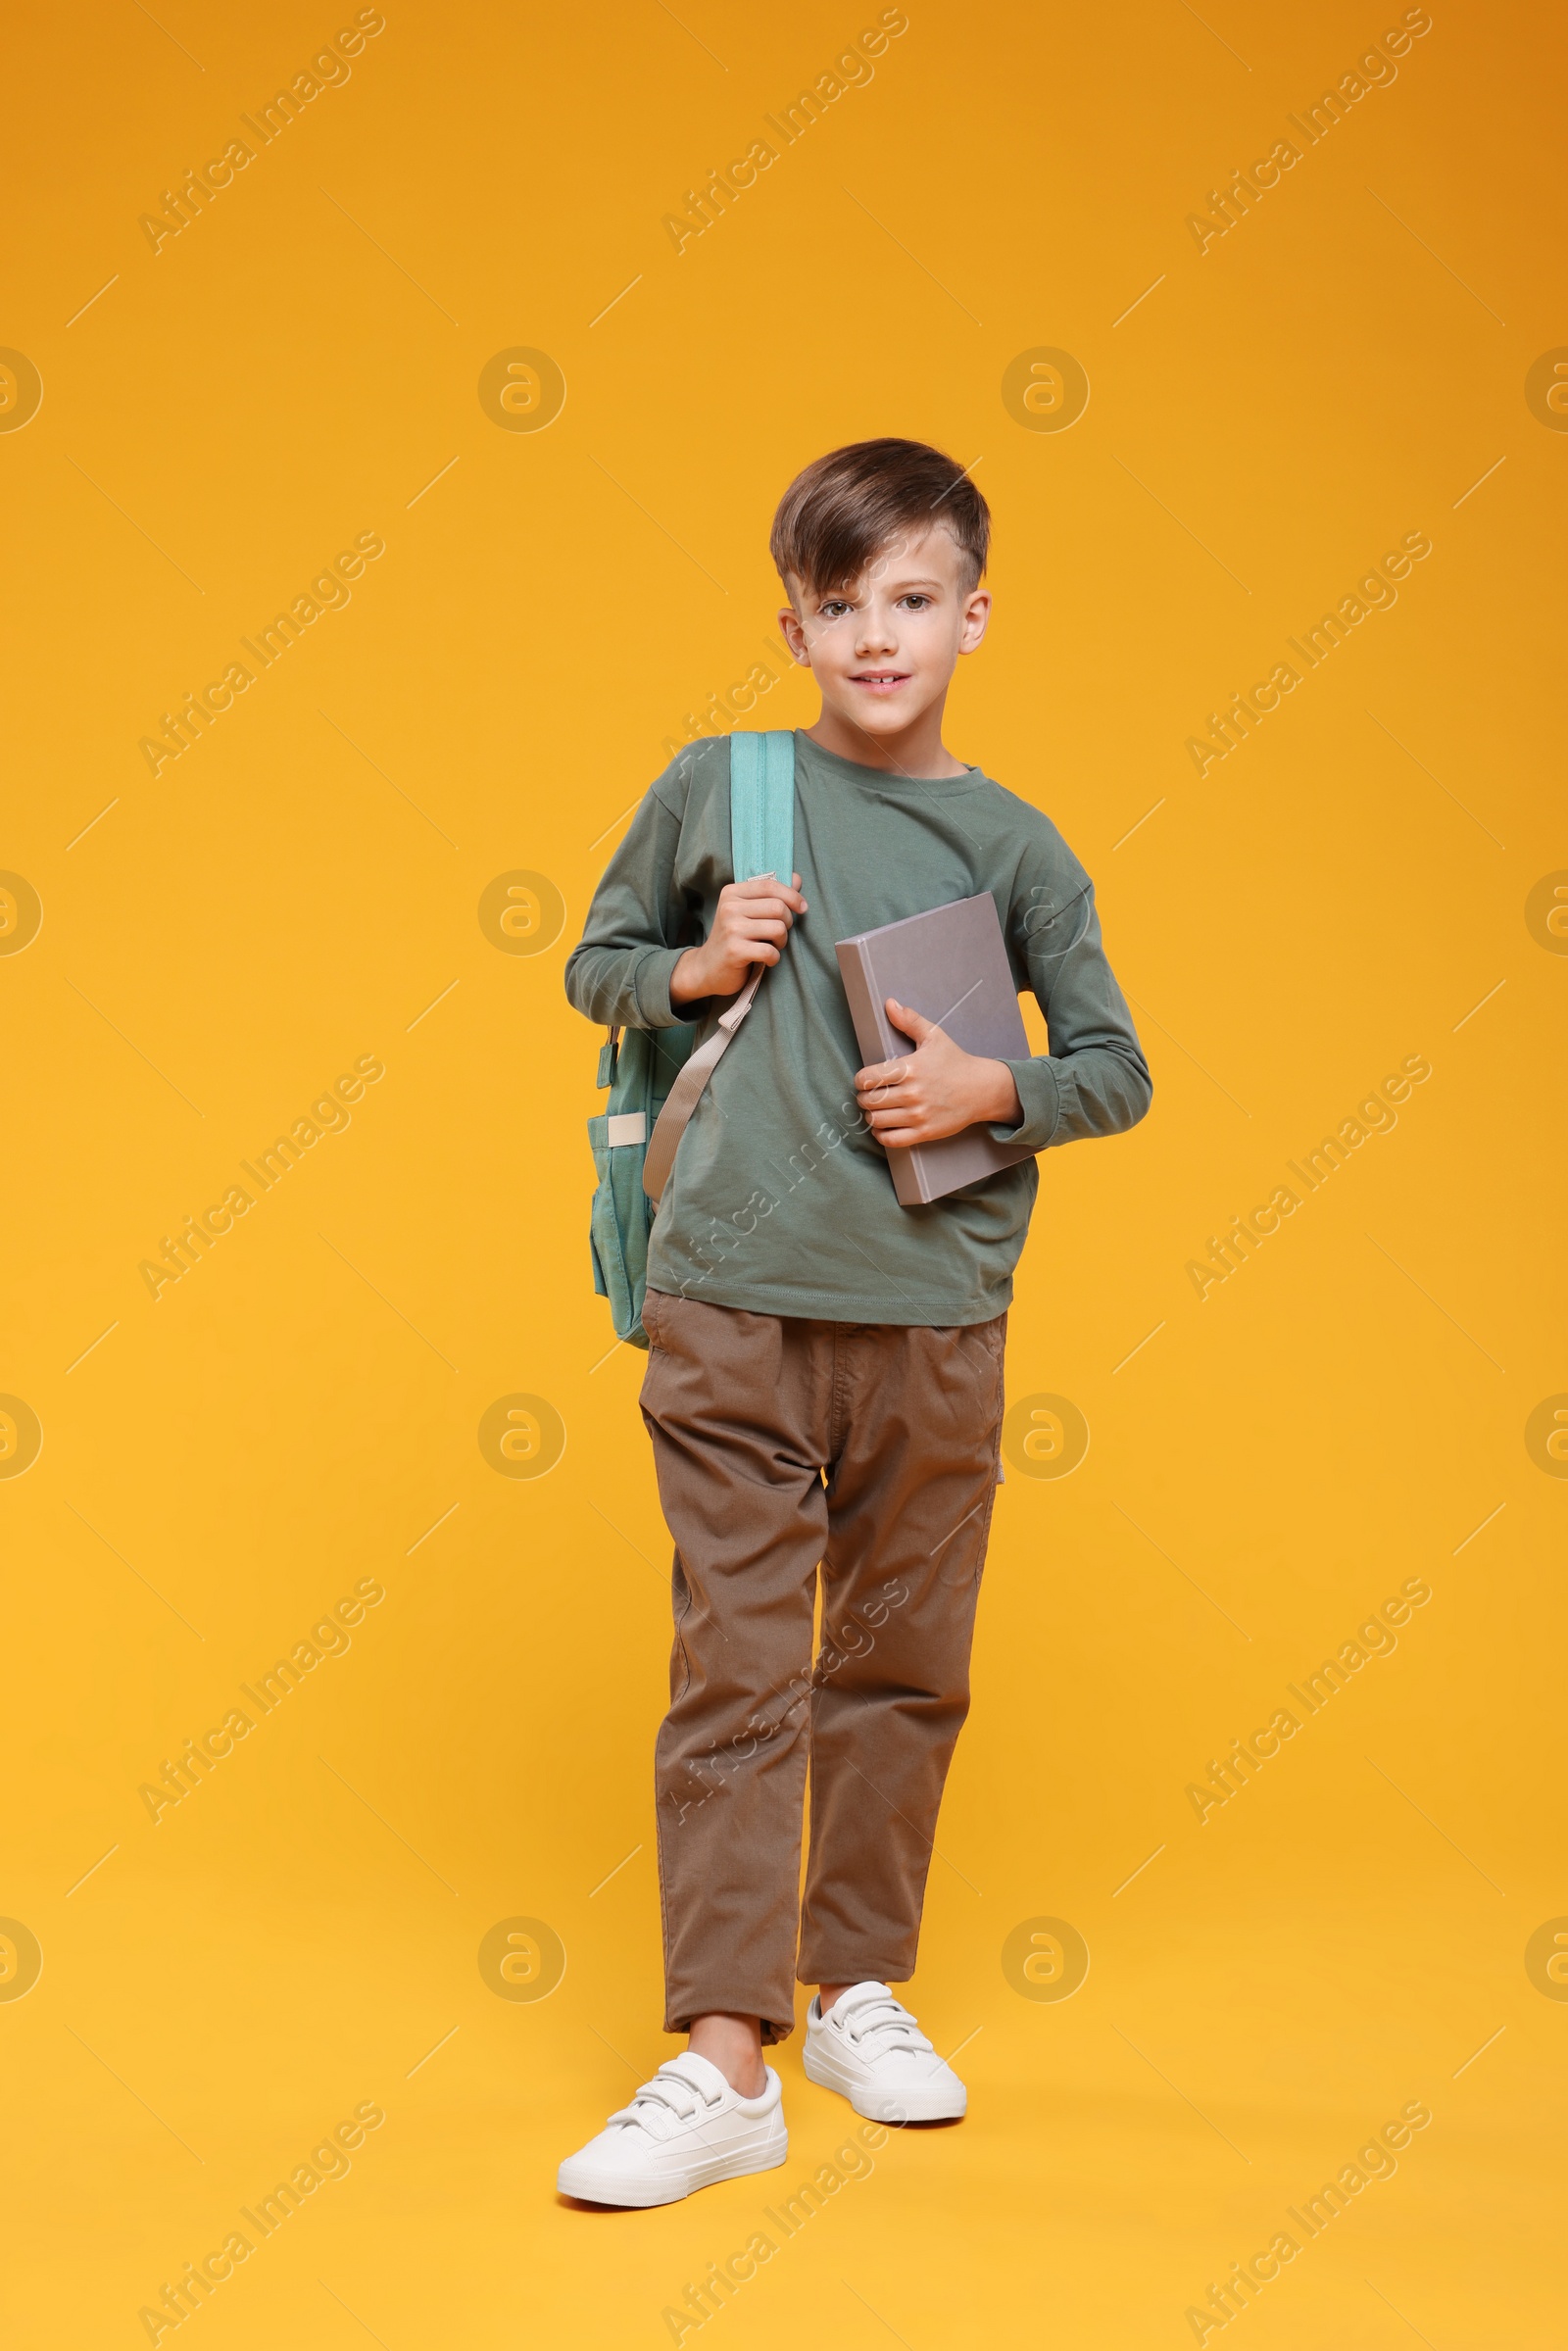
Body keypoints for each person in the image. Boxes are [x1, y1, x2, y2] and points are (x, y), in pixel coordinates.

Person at [559, 437, 1151, 2206]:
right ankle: (723, 2056)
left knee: (897, 1661)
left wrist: (998, 1084)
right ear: (795, 624)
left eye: (910, 601)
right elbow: (592, 966)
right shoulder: (720, 790)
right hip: (731, 1301)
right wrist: (692, 960)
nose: (875, 636)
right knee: (733, 1661)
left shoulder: (1017, 842)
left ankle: (858, 1990)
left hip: (933, 1313)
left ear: (975, 615)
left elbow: (1119, 1071)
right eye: (839, 606)